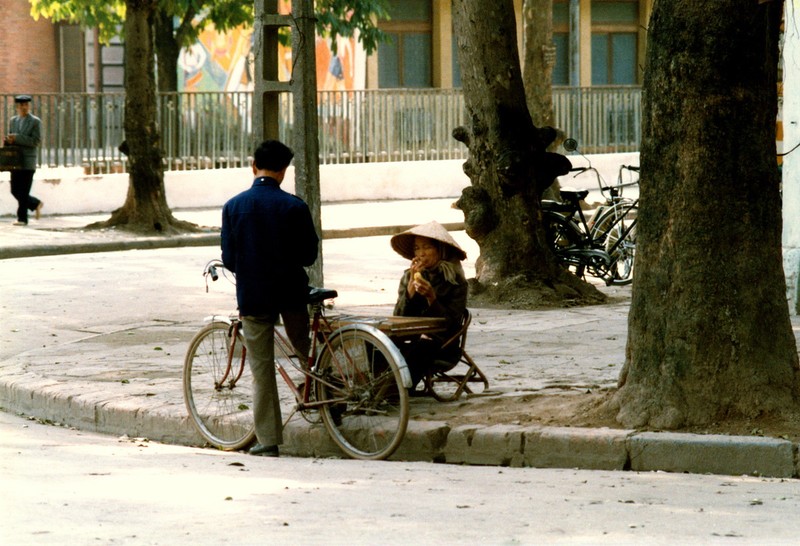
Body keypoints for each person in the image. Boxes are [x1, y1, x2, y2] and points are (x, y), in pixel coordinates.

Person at [221, 140, 319, 457]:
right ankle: (331, 404)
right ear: (283, 171)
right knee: (307, 352)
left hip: (254, 296)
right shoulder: (294, 206)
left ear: (254, 166)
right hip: (291, 293)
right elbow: (308, 256)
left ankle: (269, 439)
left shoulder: (233, 206)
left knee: (262, 369)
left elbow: (230, 259)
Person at [391, 221, 469, 392]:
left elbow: (452, 323)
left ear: (439, 250)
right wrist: (410, 293)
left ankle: (397, 390)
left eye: (426, 247)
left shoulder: (454, 280)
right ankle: (378, 386)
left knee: (421, 347)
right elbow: (398, 317)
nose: (421, 253)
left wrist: (432, 298)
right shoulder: (408, 276)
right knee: (379, 343)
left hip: (442, 345)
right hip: (411, 338)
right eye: (417, 248)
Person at [4, 95, 43, 226]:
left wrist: (17, 138)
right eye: (21, 105)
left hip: (28, 161)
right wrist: (8, 141)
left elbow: (36, 141)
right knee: (15, 190)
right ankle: (35, 203)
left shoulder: (35, 121)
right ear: (17, 107)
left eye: (26, 105)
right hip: (16, 161)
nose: (24, 107)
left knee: (24, 190)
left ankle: (22, 219)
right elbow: (12, 138)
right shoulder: (13, 121)